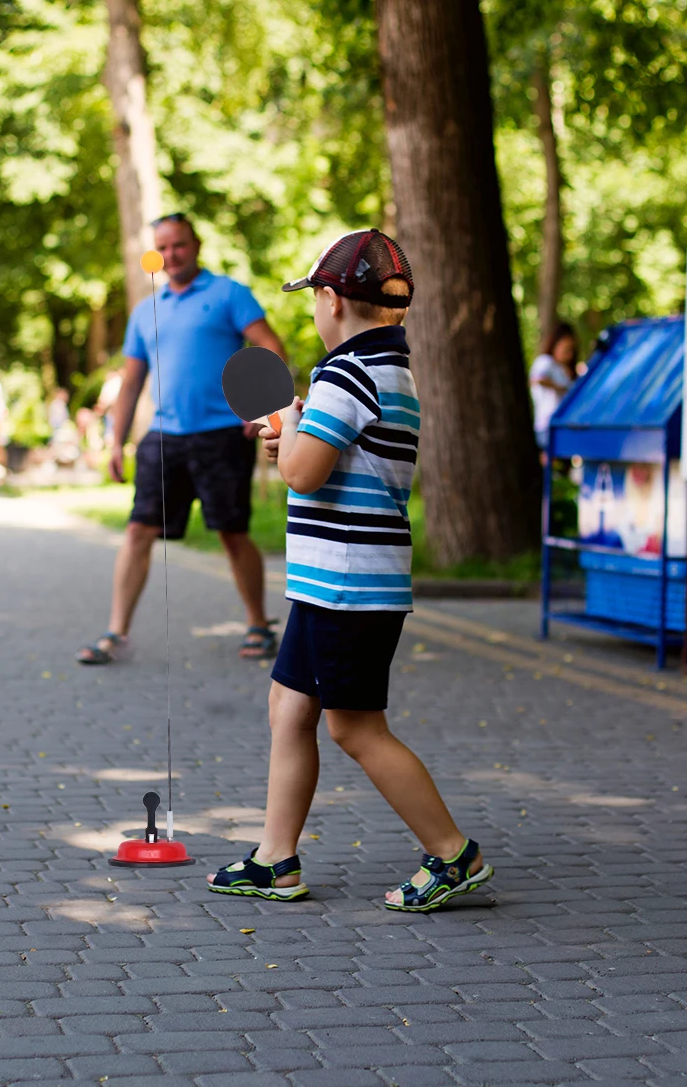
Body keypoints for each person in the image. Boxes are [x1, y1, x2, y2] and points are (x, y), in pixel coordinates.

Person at [205, 229, 492, 912]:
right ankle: (276, 860)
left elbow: (303, 474)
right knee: (289, 706)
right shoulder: (389, 369)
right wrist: (297, 422)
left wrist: (286, 424)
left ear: (332, 300)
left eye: (312, 299)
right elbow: (334, 457)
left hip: (349, 583)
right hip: (332, 580)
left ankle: (454, 854)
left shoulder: (346, 372)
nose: (312, 311)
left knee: (355, 727)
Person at [77, 214, 287, 665]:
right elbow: (131, 382)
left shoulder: (229, 294)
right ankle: (116, 633)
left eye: (179, 246)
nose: (171, 255)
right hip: (163, 438)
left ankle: (258, 623)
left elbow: (269, 344)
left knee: (233, 533)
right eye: (163, 248)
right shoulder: (145, 310)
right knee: (138, 530)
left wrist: (265, 405)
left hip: (221, 435)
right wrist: (115, 442)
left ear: (196, 245)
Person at [530, 321, 578, 451]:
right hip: (546, 425)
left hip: (564, 425)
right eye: (566, 349)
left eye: (571, 350)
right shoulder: (546, 362)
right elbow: (537, 379)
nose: (569, 354)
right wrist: (559, 388)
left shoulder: (565, 370)